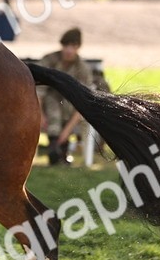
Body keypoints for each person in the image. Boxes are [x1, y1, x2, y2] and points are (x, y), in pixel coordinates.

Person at [37, 27, 111, 165]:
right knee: (53, 100)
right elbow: (38, 91)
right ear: (62, 45)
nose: (69, 50)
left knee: (65, 102)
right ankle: (57, 149)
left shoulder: (82, 69)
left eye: (73, 46)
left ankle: (56, 147)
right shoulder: (49, 61)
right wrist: (40, 115)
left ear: (78, 47)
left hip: (71, 111)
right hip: (48, 108)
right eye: (66, 46)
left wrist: (66, 132)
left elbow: (83, 103)